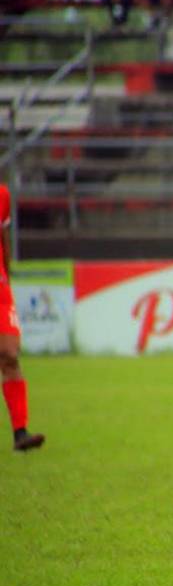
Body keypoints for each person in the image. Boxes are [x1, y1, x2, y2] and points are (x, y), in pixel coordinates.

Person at [0, 184, 45, 452]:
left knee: (10, 353)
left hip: (1, 287)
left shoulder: (2, 195)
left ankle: (20, 433)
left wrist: (7, 273)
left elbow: (3, 235)